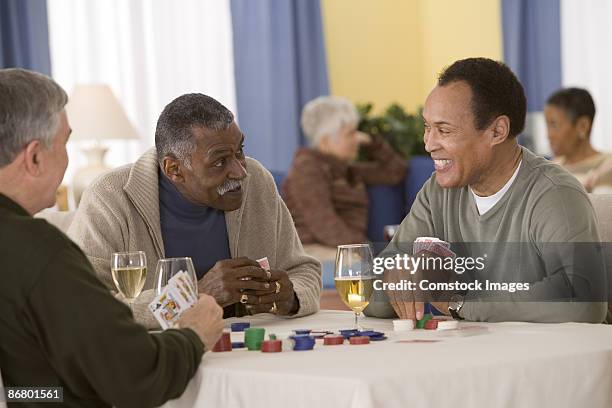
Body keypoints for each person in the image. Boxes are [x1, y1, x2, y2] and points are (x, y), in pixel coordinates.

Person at [0, 68, 224, 407]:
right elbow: (137, 375)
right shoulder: (38, 251)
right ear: (34, 158)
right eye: (65, 143)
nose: (67, 157)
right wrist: (192, 335)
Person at [365, 58, 606, 323]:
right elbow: (369, 290)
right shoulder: (437, 192)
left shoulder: (555, 194)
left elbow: (585, 301)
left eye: (444, 129)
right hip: (474, 357)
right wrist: (397, 279)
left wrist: (462, 304)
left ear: (497, 131)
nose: (428, 144)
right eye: (427, 127)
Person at [68, 93, 321, 328]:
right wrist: (192, 296)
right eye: (220, 161)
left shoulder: (257, 181)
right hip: (160, 361)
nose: (240, 171)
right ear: (174, 169)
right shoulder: (110, 197)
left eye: (240, 152)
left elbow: (304, 271)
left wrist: (290, 298)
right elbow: (83, 306)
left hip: (251, 354)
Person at [282, 96, 407, 260]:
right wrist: (362, 249)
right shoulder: (307, 169)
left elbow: (396, 172)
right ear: (326, 141)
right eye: (351, 134)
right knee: (361, 267)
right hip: (311, 249)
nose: (358, 138)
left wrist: (372, 143)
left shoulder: (347, 169)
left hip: (345, 248)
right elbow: (324, 225)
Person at [544, 87, 612, 192]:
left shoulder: (607, 164)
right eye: (547, 126)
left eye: (554, 125)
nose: (548, 135)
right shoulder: (549, 168)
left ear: (582, 126)